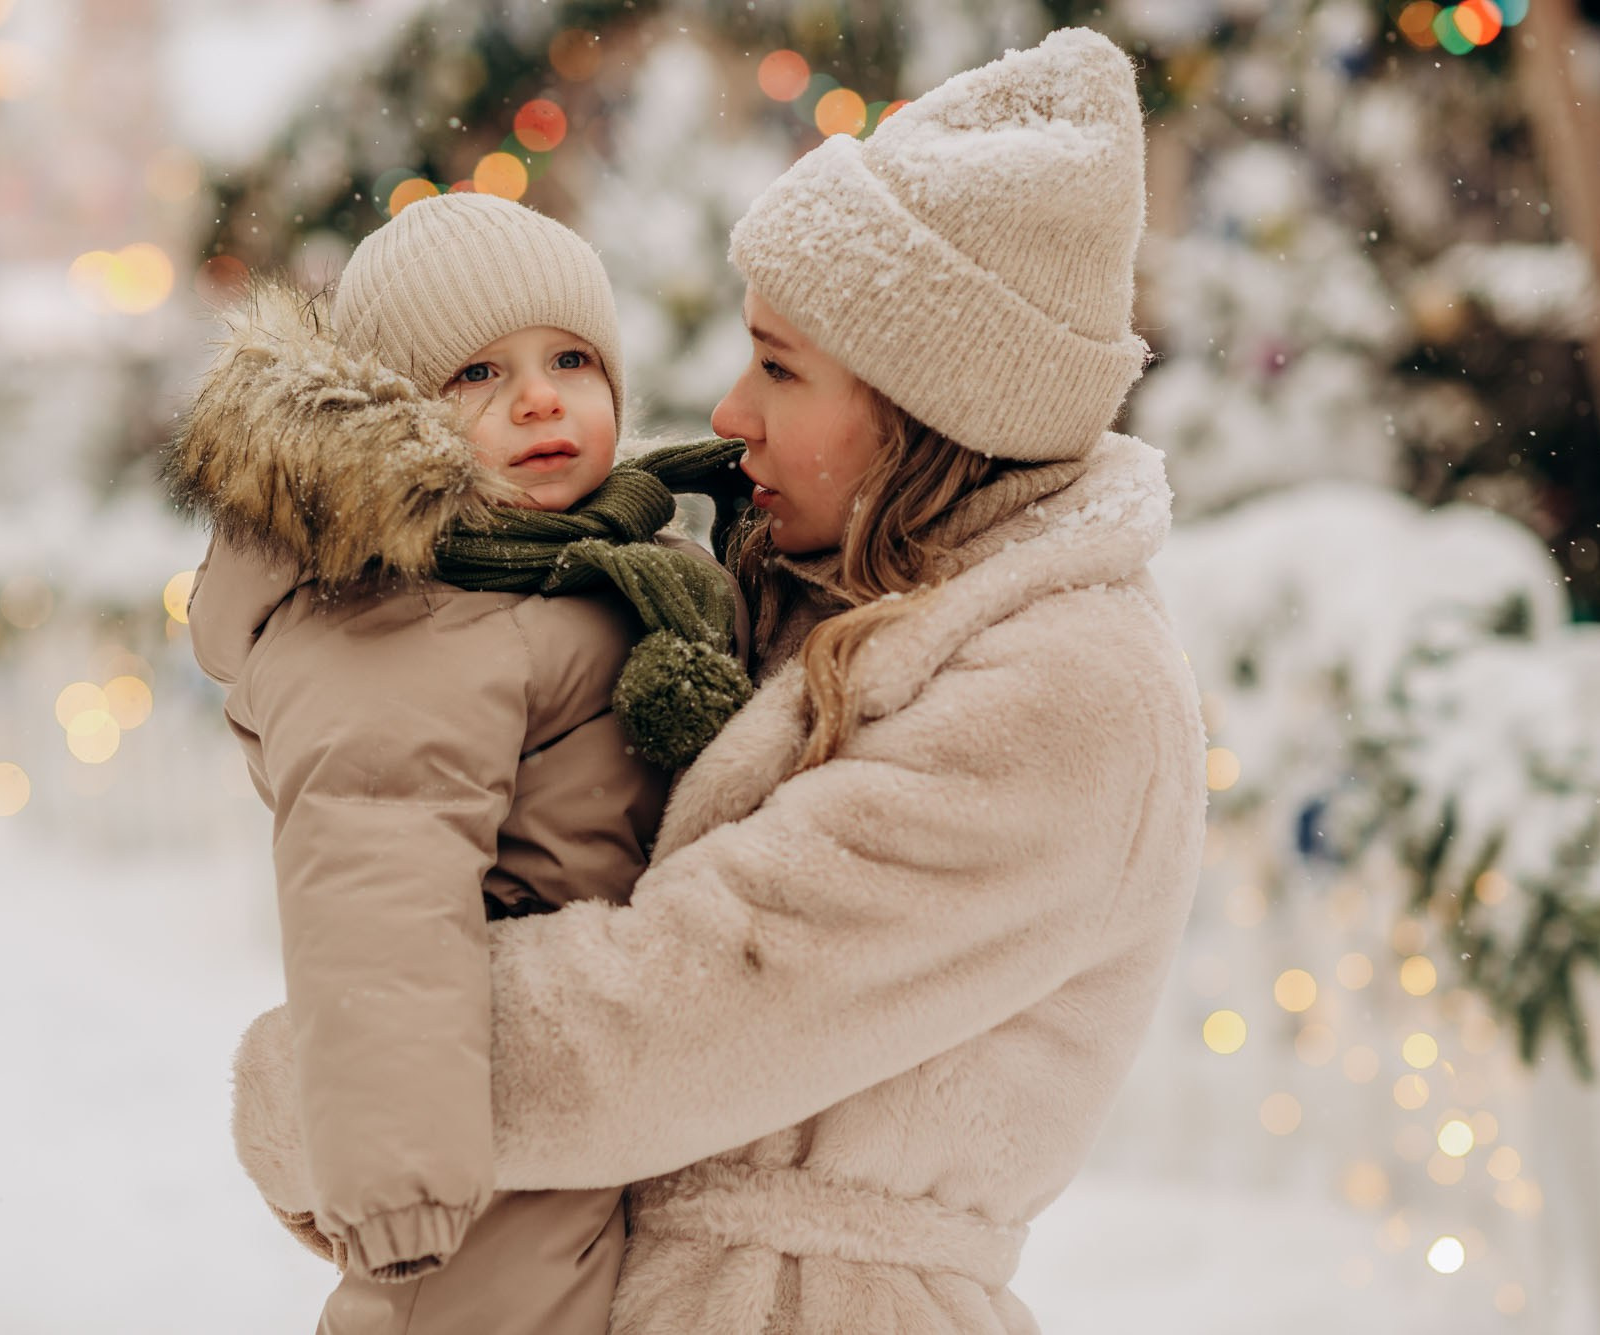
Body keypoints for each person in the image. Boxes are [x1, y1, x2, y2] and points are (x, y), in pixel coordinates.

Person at [232, 28, 1209, 1333]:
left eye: (781, 364)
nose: (730, 409)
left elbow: (683, 1009)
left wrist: (325, 1081)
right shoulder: (794, 590)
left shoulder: (1069, 695)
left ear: (924, 405)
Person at [166, 192, 751, 1335]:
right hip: (489, 1147)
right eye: (474, 377)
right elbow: (372, 893)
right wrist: (403, 1175)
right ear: (395, 425)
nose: (538, 396)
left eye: (570, 357)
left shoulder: (605, 562)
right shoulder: (403, 619)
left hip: (610, 1080)